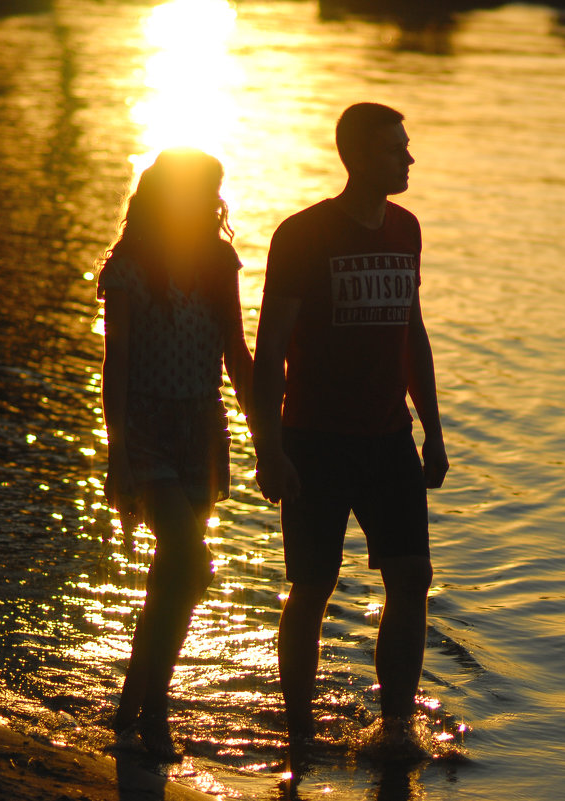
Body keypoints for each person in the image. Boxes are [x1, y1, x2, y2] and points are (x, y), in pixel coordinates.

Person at [251, 103, 448, 755]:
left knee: (411, 576)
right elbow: (271, 342)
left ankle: (395, 730)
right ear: (359, 158)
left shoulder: (406, 229)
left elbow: (411, 333)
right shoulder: (303, 235)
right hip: (315, 439)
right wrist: (269, 449)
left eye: (407, 146)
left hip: (388, 437)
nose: (409, 159)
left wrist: (433, 430)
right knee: (311, 585)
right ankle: (300, 732)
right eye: (396, 149)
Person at [98, 148, 253, 761]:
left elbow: (237, 353)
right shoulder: (131, 267)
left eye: (211, 190)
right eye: (195, 189)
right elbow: (118, 365)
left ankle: (133, 699)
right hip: (146, 428)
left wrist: (269, 433)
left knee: (172, 578)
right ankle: (155, 713)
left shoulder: (219, 261)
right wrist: (118, 454)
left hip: (203, 429)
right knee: (191, 563)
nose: (205, 201)